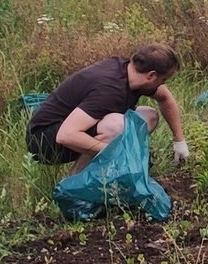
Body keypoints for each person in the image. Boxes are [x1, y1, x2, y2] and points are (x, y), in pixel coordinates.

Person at [26, 44, 188, 173]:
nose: (163, 84)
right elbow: (66, 135)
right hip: (44, 140)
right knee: (116, 125)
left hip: (72, 128)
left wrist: (179, 140)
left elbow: (165, 99)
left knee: (149, 116)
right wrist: (118, 152)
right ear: (151, 75)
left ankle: (106, 173)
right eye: (164, 79)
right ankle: (75, 183)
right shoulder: (109, 90)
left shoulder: (132, 73)